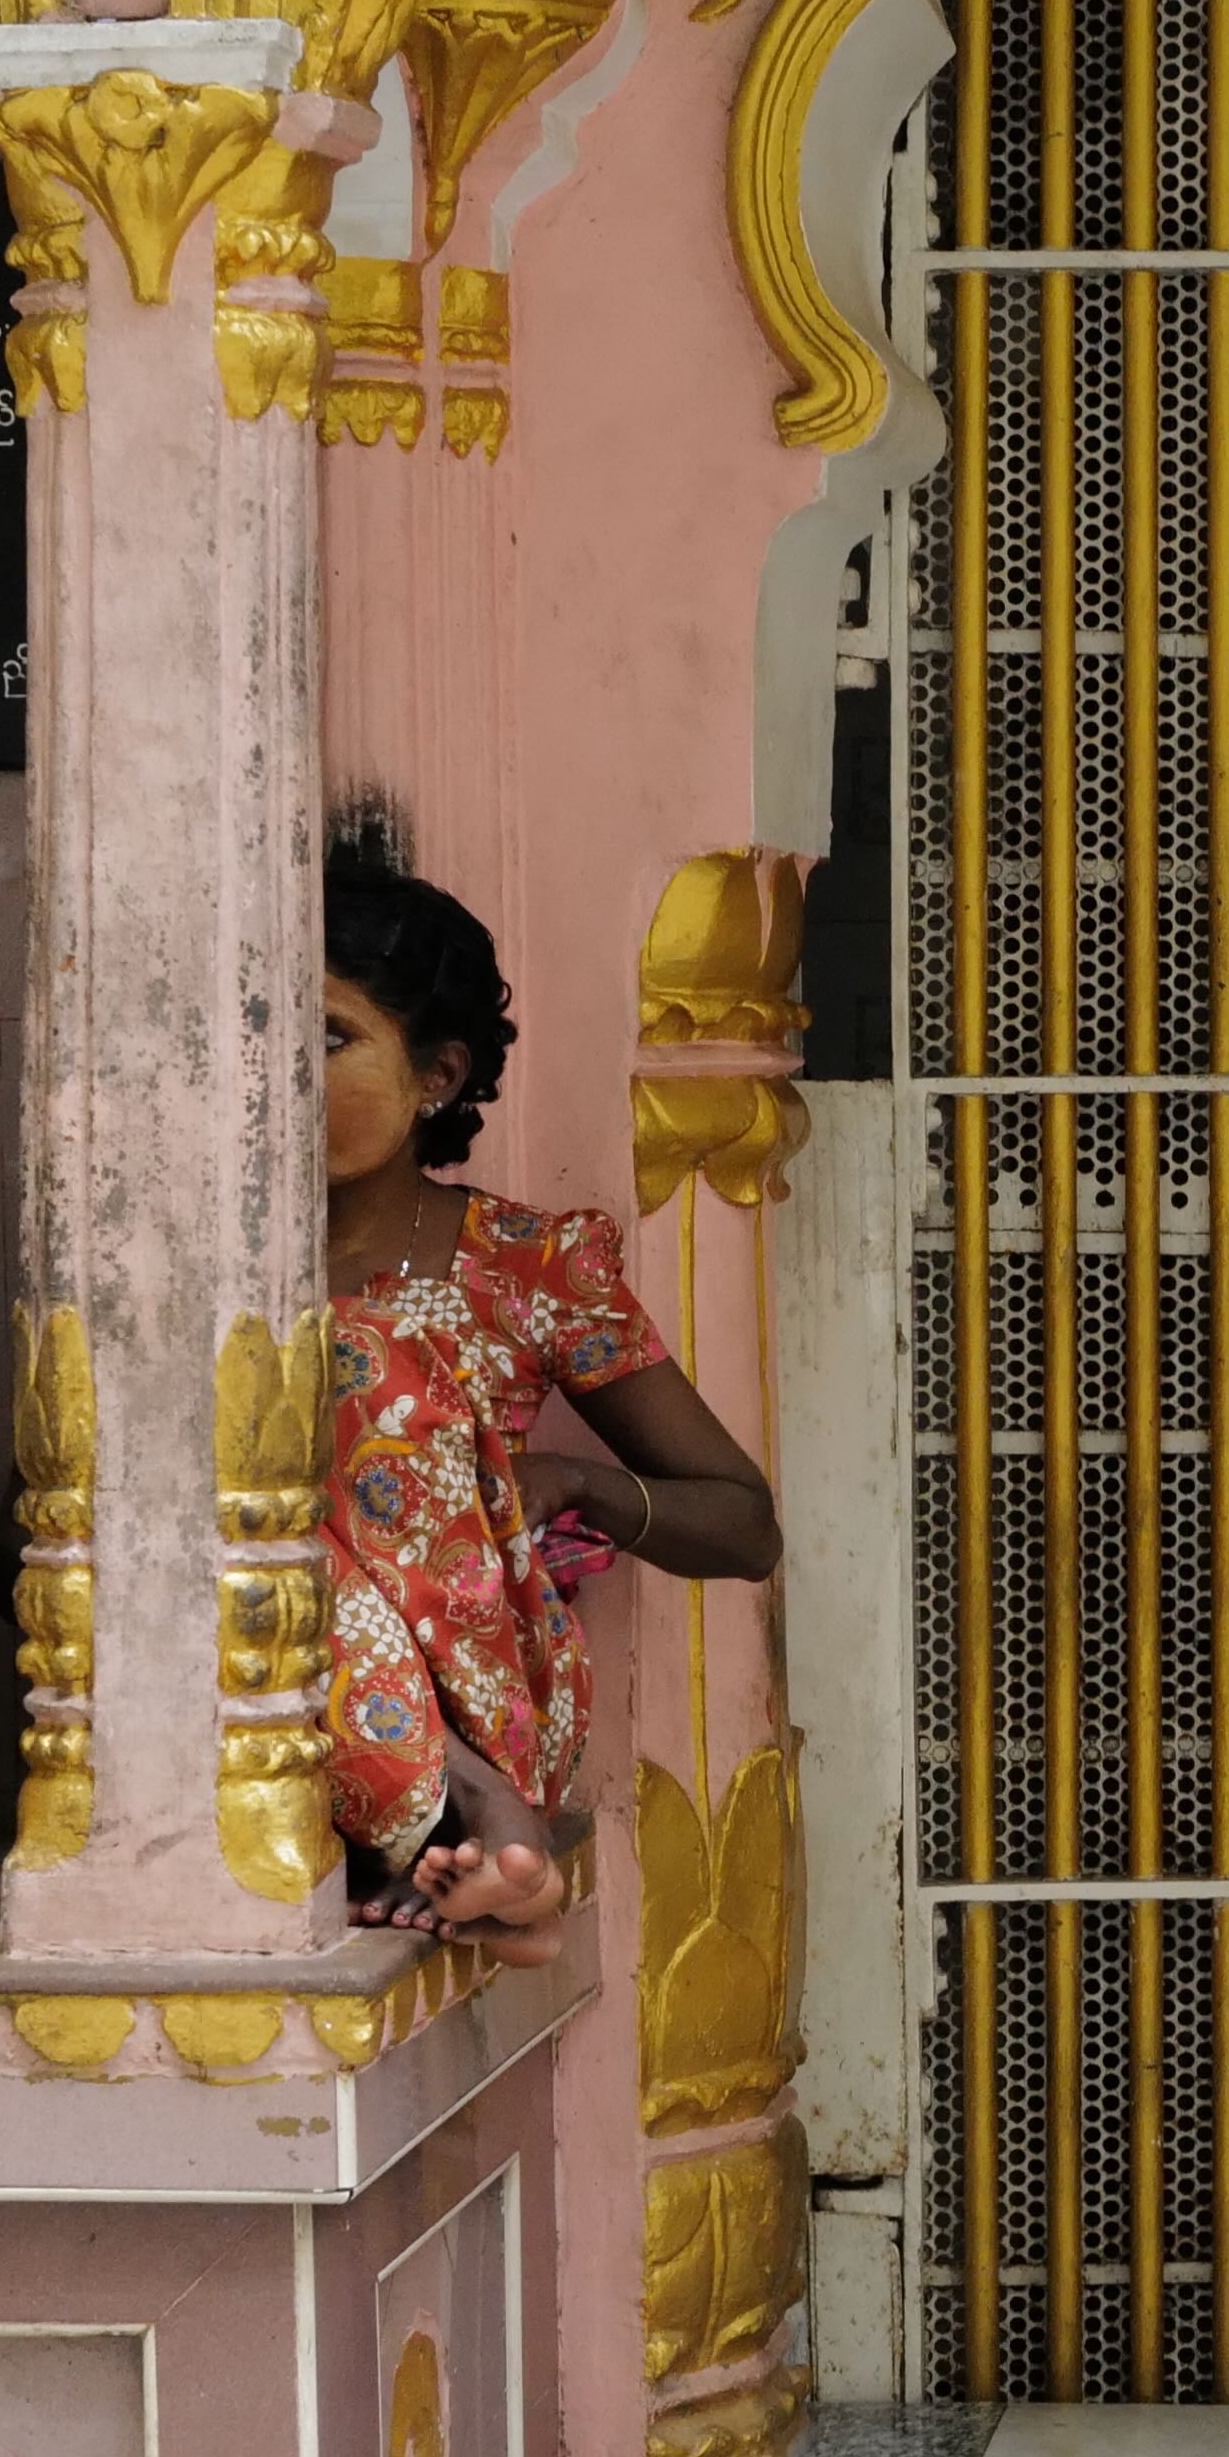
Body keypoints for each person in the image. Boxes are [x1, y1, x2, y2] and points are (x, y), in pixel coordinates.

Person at [315, 821, 781, 1937]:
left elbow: (746, 1527)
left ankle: (462, 1801)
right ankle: (463, 1828)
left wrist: (571, 1482)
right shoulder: (187, 1273)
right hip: (255, 1691)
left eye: (326, 1037)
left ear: (439, 1074)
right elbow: (26, 1544)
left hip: (480, 1690)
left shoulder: (532, 1267)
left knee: (367, 1372)